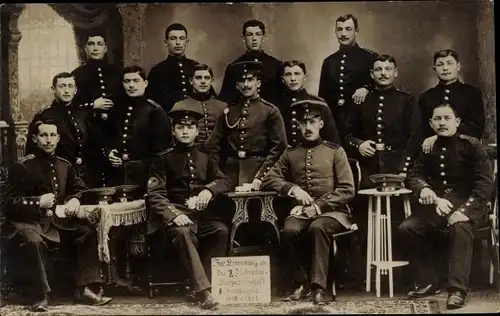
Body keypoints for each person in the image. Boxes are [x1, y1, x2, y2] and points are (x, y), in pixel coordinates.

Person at [1, 119, 112, 312]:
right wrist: (38, 202)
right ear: (35, 139)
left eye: (53, 135)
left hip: (57, 222)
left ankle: (83, 289)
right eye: (43, 135)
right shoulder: (22, 166)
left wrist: (75, 200)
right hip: (28, 222)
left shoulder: (65, 165)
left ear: (58, 138)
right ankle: (40, 295)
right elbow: (8, 204)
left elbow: (78, 189)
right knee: (34, 242)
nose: (48, 140)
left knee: (86, 232)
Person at [396, 103, 494, 310]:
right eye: (437, 119)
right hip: (438, 207)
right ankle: (428, 281)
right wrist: (423, 189)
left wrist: (465, 212)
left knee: (459, 228)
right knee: (408, 228)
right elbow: (414, 174)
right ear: (431, 124)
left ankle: (458, 289)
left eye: (447, 118)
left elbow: (485, 183)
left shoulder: (472, 146)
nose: (442, 123)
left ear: (457, 122)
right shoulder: (429, 147)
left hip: (470, 207)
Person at [262, 98, 355, 305]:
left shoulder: (335, 151)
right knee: (289, 230)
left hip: (334, 212)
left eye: (313, 122)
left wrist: (318, 206)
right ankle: (301, 282)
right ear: (297, 125)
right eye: (303, 123)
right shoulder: (291, 153)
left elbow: (348, 190)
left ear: (321, 124)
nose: (308, 127)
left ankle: (319, 287)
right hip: (302, 212)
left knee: (318, 227)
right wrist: (293, 189)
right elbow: (270, 178)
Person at [147, 105, 232, 310]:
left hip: (200, 217)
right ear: (173, 131)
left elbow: (224, 180)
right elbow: (155, 193)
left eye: (190, 127)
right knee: (184, 233)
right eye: (180, 127)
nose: (185, 131)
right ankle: (203, 292)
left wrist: (209, 191)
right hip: (173, 220)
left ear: (197, 131)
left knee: (221, 231)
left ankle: (202, 285)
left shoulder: (205, 156)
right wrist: (173, 215)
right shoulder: (162, 158)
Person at [206, 60, 287, 189]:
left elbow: (280, 147)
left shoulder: (270, 111)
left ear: (258, 83)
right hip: (229, 175)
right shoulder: (229, 111)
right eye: (242, 81)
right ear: (237, 85)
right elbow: (213, 144)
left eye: (250, 80)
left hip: (258, 174)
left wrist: (261, 176)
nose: (246, 85)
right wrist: (218, 173)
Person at [344, 54, 422, 187]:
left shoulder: (406, 100)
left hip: (398, 167)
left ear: (395, 73)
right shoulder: (361, 100)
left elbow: (415, 136)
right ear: (371, 74)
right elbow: (346, 135)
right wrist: (359, 144)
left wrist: (404, 168)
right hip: (368, 168)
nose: (383, 73)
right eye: (378, 69)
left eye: (388, 69)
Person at [105, 66, 172, 191]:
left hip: (143, 176)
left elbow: (161, 152)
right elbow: (109, 137)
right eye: (127, 81)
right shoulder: (117, 110)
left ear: (145, 83)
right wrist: (110, 152)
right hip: (117, 175)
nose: (131, 85)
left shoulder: (155, 111)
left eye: (136, 81)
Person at [71, 32, 123, 188]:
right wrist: (93, 105)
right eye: (91, 44)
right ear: (85, 48)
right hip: (90, 131)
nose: (95, 48)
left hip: (115, 129)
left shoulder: (117, 72)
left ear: (105, 48)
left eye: (99, 44)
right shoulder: (77, 75)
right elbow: (72, 106)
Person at [318, 14, 378, 141]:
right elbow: (322, 98)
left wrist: (366, 88)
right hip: (334, 124)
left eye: (348, 29)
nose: (343, 34)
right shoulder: (329, 61)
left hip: (361, 124)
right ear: (335, 32)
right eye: (339, 29)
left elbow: (382, 86)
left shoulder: (369, 58)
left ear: (356, 31)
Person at [26, 73, 91, 184]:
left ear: (75, 90)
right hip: (58, 175)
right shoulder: (44, 116)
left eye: (70, 86)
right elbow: (33, 151)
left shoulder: (82, 115)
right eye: (62, 86)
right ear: (53, 89)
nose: (66, 91)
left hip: (85, 175)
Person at [419, 49, 485, 153]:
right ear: (434, 68)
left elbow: (476, 127)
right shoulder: (426, 97)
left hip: (464, 151)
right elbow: (422, 130)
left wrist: (441, 136)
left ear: (458, 67)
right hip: (435, 152)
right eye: (440, 65)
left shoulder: (472, 94)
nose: (445, 68)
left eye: (449, 63)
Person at [146, 23, 216, 113]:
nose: (178, 42)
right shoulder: (158, 70)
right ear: (166, 42)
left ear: (186, 42)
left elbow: (211, 95)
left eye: (181, 38)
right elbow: (151, 103)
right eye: (173, 38)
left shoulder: (195, 66)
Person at [218, 19, 283, 105]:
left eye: (258, 34)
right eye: (249, 35)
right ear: (244, 39)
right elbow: (225, 100)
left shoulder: (276, 65)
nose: (254, 39)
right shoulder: (234, 68)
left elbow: (283, 98)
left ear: (264, 38)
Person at [278, 60, 340, 147]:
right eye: (288, 75)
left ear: (305, 77)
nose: (293, 78)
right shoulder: (276, 105)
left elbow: (332, 140)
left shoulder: (319, 104)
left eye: (297, 74)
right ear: (282, 79)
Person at [170, 64, 227, 151]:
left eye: (207, 78)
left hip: (218, 155)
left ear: (212, 81)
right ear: (191, 81)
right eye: (198, 78)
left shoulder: (222, 106)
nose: (203, 81)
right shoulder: (180, 106)